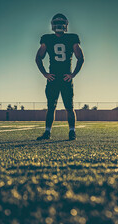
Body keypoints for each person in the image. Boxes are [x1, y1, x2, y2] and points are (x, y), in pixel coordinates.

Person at [35, 13, 84, 141]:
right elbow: (38, 57)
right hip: (56, 78)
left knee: (68, 107)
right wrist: (45, 73)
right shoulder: (49, 39)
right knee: (51, 106)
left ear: (66, 25)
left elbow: (81, 58)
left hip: (63, 78)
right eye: (57, 23)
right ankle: (47, 132)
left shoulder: (70, 38)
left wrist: (73, 74)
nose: (59, 25)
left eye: (61, 23)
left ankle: (72, 132)